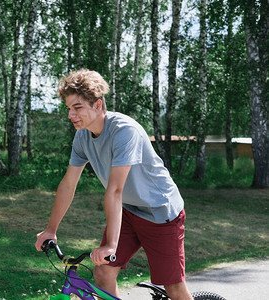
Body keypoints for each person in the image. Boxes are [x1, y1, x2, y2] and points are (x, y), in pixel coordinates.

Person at [35, 69, 194, 300]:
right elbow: (69, 184)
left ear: (98, 105)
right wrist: (51, 229)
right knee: (103, 271)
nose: (71, 114)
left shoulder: (124, 131)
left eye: (77, 107)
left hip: (160, 213)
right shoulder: (82, 136)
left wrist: (111, 245)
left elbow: (115, 190)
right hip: (129, 211)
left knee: (174, 288)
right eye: (68, 108)